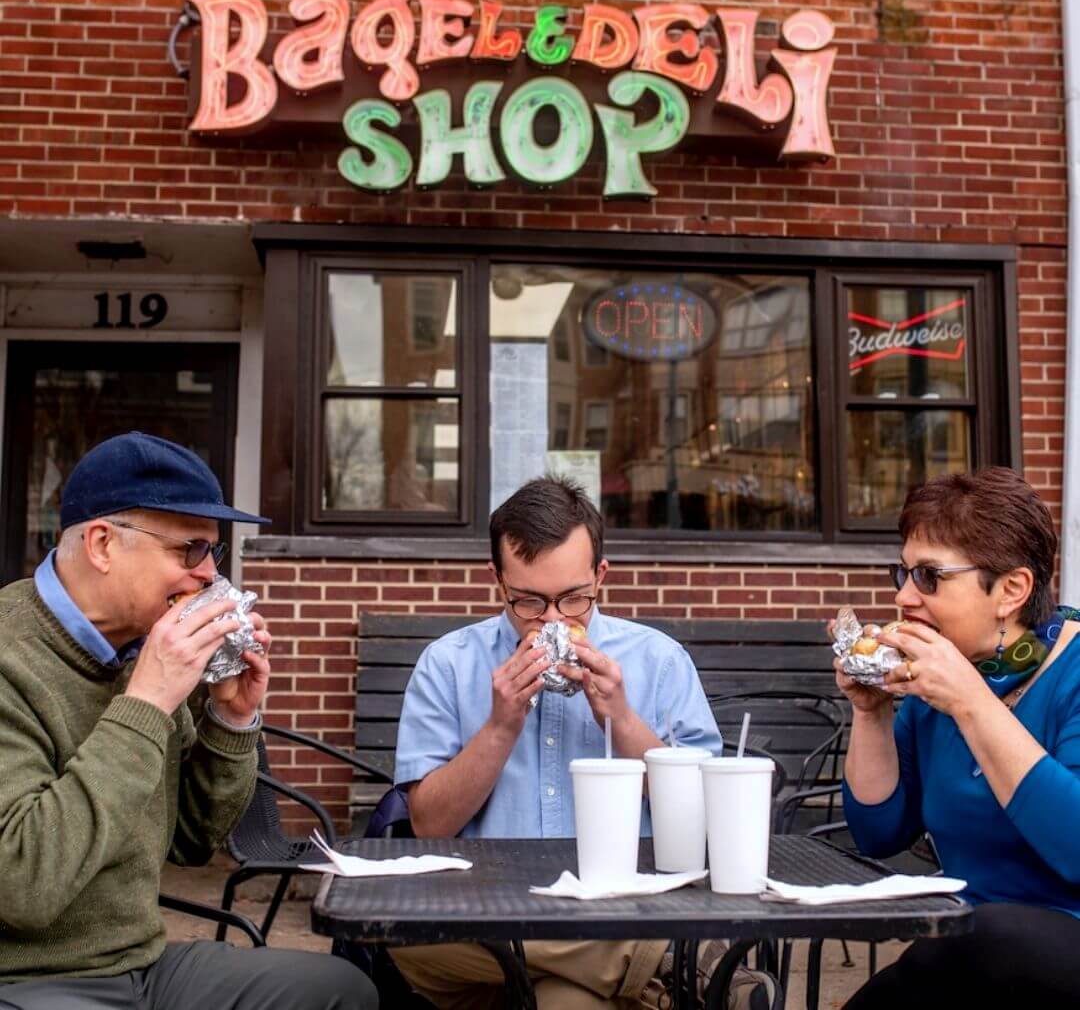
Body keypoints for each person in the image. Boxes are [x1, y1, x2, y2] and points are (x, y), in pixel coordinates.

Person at [0, 432, 377, 1010]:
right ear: (103, 544)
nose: (208, 575)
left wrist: (231, 717)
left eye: (214, 554)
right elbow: (23, 887)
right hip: (27, 981)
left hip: (143, 966)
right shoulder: (12, 656)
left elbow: (196, 840)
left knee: (341, 992)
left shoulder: (143, 648)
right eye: (191, 550)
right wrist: (147, 701)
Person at [389, 476, 769, 1010]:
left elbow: (706, 816)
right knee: (405, 942)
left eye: (573, 599)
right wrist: (499, 727)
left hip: (626, 901)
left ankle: (620, 966)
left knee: (570, 1000)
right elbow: (430, 826)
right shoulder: (448, 664)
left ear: (601, 575)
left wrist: (622, 717)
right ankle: (657, 963)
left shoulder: (658, 660)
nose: (552, 620)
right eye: (528, 602)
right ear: (496, 580)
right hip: (484, 908)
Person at [837, 467, 1080, 1008]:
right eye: (900, 574)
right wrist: (871, 713)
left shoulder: (1071, 671)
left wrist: (971, 702)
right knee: (965, 944)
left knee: (984, 937)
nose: (904, 597)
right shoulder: (941, 680)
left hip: (1055, 942)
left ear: (1011, 590)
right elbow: (879, 834)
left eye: (929, 577)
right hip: (965, 956)